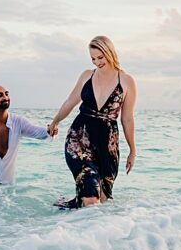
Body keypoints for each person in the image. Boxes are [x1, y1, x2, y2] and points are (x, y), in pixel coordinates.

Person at [49, 36, 137, 208]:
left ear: (109, 53)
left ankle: (76, 219)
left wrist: (133, 150)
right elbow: (69, 102)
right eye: (93, 59)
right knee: (91, 197)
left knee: (100, 201)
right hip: (79, 138)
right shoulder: (87, 76)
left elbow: (127, 118)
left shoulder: (126, 81)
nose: (97, 62)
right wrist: (55, 122)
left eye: (100, 57)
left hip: (107, 145)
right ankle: (71, 228)